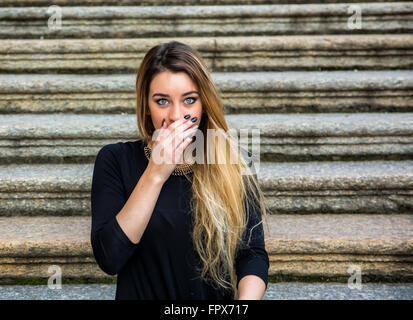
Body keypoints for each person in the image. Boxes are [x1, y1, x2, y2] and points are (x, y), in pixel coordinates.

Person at [90, 41, 269, 300]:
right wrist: (155, 173)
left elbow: (252, 254)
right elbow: (110, 258)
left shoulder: (236, 162)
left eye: (189, 100)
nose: (176, 115)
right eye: (162, 101)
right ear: (146, 106)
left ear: (204, 104)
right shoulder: (115, 160)